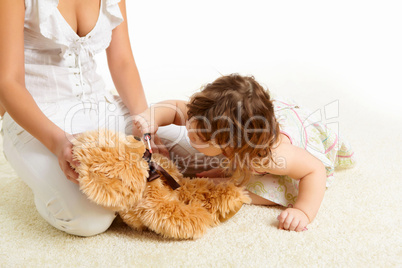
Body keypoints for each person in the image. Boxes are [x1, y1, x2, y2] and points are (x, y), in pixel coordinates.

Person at [0, 0, 203, 236]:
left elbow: (122, 61)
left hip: (100, 106)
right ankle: (40, 179)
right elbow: (8, 83)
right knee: (89, 220)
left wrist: (146, 128)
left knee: (200, 151)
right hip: (37, 119)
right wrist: (58, 143)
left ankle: (119, 184)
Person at [134, 74, 356, 232]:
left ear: (232, 146)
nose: (189, 130)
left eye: (200, 138)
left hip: (294, 143)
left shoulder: (271, 157)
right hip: (251, 127)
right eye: (191, 122)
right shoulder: (203, 115)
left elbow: (314, 170)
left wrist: (303, 211)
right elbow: (173, 108)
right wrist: (151, 116)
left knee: (250, 189)